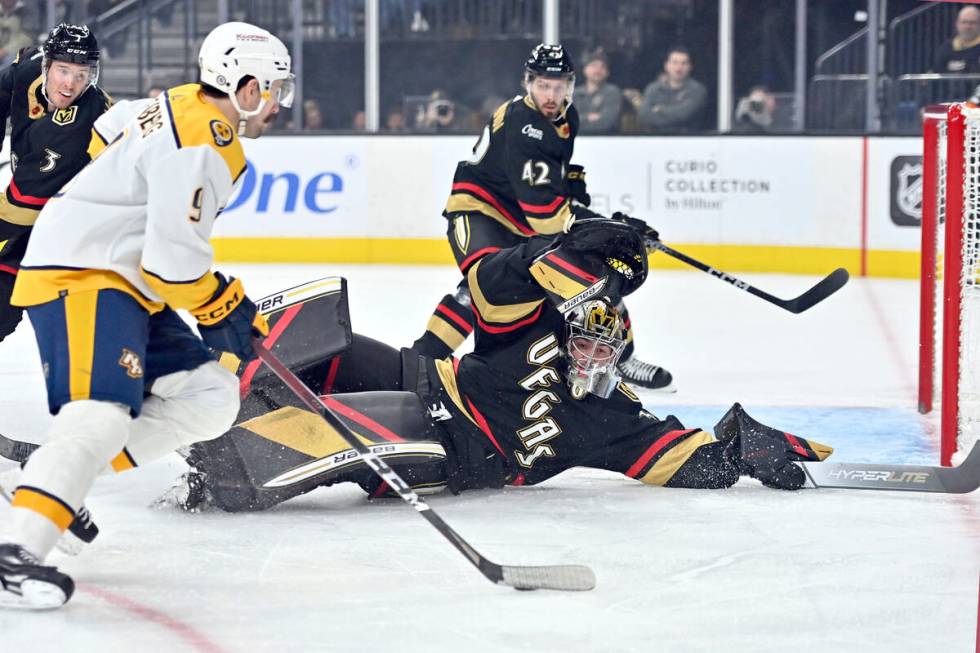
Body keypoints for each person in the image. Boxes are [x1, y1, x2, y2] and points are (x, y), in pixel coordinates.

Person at [161, 219, 832, 515]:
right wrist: (573, 251)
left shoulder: (609, 419)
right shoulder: (533, 326)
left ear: (620, 353)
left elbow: (681, 457)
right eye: (582, 341)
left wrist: (744, 448)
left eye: (604, 349)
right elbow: (496, 276)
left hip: (449, 449)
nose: (588, 356)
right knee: (312, 330)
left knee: (313, 433)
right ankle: (185, 389)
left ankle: (227, 466)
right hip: (427, 379)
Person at [0, 20, 294, 610]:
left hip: (124, 277)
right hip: (85, 272)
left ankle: (50, 478)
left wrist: (219, 304)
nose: (278, 104)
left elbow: (109, 130)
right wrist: (222, 306)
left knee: (210, 398)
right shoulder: (206, 142)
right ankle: (21, 548)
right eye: (273, 88)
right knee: (103, 413)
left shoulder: (175, 104)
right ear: (243, 86)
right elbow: (173, 266)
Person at [410, 43, 675, 391]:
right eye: (542, 85)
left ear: (570, 85)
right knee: (483, 287)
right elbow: (546, 216)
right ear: (527, 83)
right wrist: (612, 229)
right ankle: (421, 365)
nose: (550, 95)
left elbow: (548, 180)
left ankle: (621, 359)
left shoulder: (568, 117)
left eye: (558, 85)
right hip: (480, 212)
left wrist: (576, 192)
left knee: (588, 273)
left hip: (522, 219)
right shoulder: (523, 122)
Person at [0, 23, 111, 344]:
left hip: (82, 229)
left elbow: (23, 204)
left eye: (81, 74)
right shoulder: (29, 68)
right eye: (63, 70)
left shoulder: (83, 120)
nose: (70, 84)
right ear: (47, 64)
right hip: (44, 218)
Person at [630, 47, 707, 133]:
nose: (679, 68)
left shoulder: (697, 90)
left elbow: (683, 115)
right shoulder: (653, 88)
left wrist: (661, 109)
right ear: (666, 66)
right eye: (675, 63)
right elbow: (643, 116)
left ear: (690, 67)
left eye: (684, 63)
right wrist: (671, 113)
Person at [574, 48, 622, 134]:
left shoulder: (612, 92)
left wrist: (580, 120)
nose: (598, 70)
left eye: (602, 67)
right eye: (594, 65)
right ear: (585, 70)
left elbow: (607, 122)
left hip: (607, 141)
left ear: (607, 72)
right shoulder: (574, 94)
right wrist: (588, 117)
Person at [933, 5, 980, 74]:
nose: (967, 26)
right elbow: (936, 71)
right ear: (957, 24)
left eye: (972, 23)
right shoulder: (946, 47)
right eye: (964, 22)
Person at [0, 0, 32, 68]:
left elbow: (28, 36)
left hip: (16, 51)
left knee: (11, 60)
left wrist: (5, 50)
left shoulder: (26, 10)